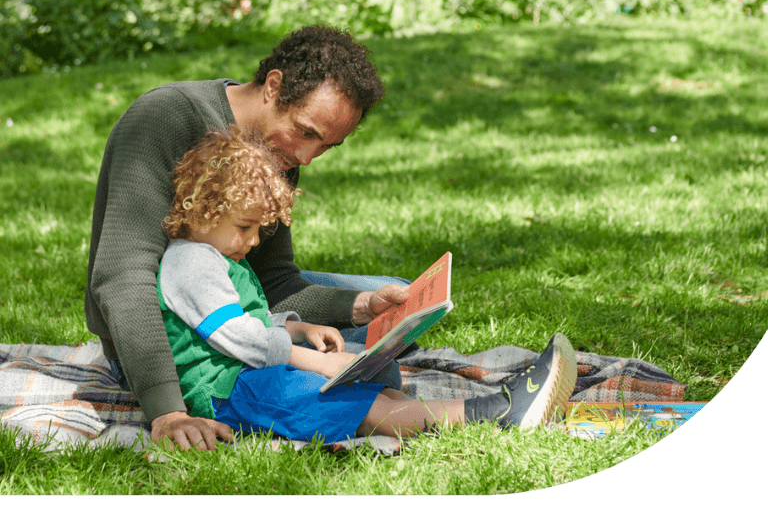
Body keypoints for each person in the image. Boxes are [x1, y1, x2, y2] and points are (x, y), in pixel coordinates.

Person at [86, 26, 417, 451]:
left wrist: (363, 306)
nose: (305, 157)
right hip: (177, 342)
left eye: (326, 146)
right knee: (374, 367)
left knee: (397, 302)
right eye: (306, 132)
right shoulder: (166, 117)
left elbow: (274, 282)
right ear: (273, 87)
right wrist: (168, 410)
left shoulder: (276, 150)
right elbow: (123, 276)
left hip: (234, 303)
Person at [157, 125, 577, 448]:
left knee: (375, 393)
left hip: (249, 377)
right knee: (359, 406)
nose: (253, 242)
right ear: (204, 209)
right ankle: (498, 412)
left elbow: (254, 320)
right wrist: (316, 362)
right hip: (227, 391)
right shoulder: (192, 263)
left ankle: (484, 408)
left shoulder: (219, 255)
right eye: (245, 227)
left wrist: (300, 328)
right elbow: (240, 337)